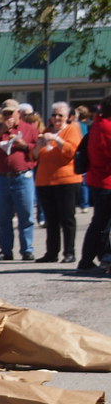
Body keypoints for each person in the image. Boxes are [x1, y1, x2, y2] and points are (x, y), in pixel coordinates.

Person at [0, 98, 39, 261]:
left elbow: (37, 152)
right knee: (3, 217)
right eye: (4, 113)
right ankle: (6, 250)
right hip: (2, 178)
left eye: (10, 113)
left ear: (18, 113)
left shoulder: (29, 129)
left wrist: (25, 146)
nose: (7, 116)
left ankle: (27, 249)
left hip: (23, 177)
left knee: (26, 215)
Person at [32, 101, 83, 263]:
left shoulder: (72, 130)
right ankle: (51, 252)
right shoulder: (46, 131)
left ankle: (69, 252)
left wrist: (57, 139)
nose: (57, 118)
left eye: (60, 115)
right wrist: (38, 145)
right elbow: (34, 156)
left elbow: (72, 152)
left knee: (67, 218)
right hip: (45, 181)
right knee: (51, 219)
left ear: (68, 117)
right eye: (54, 115)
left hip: (66, 180)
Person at [77, 94, 111, 272]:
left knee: (99, 223)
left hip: (97, 179)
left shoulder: (97, 125)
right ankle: (99, 258)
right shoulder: (107, 128)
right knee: (101, 224)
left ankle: (89, 259)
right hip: (106, 181)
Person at [75, 105, 91, 213]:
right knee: (84, 181)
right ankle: (85, 204)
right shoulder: (89, 125)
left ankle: (83, 203)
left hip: (80, 150)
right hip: (86, 150)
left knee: (82, 180)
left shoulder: (77, 125)